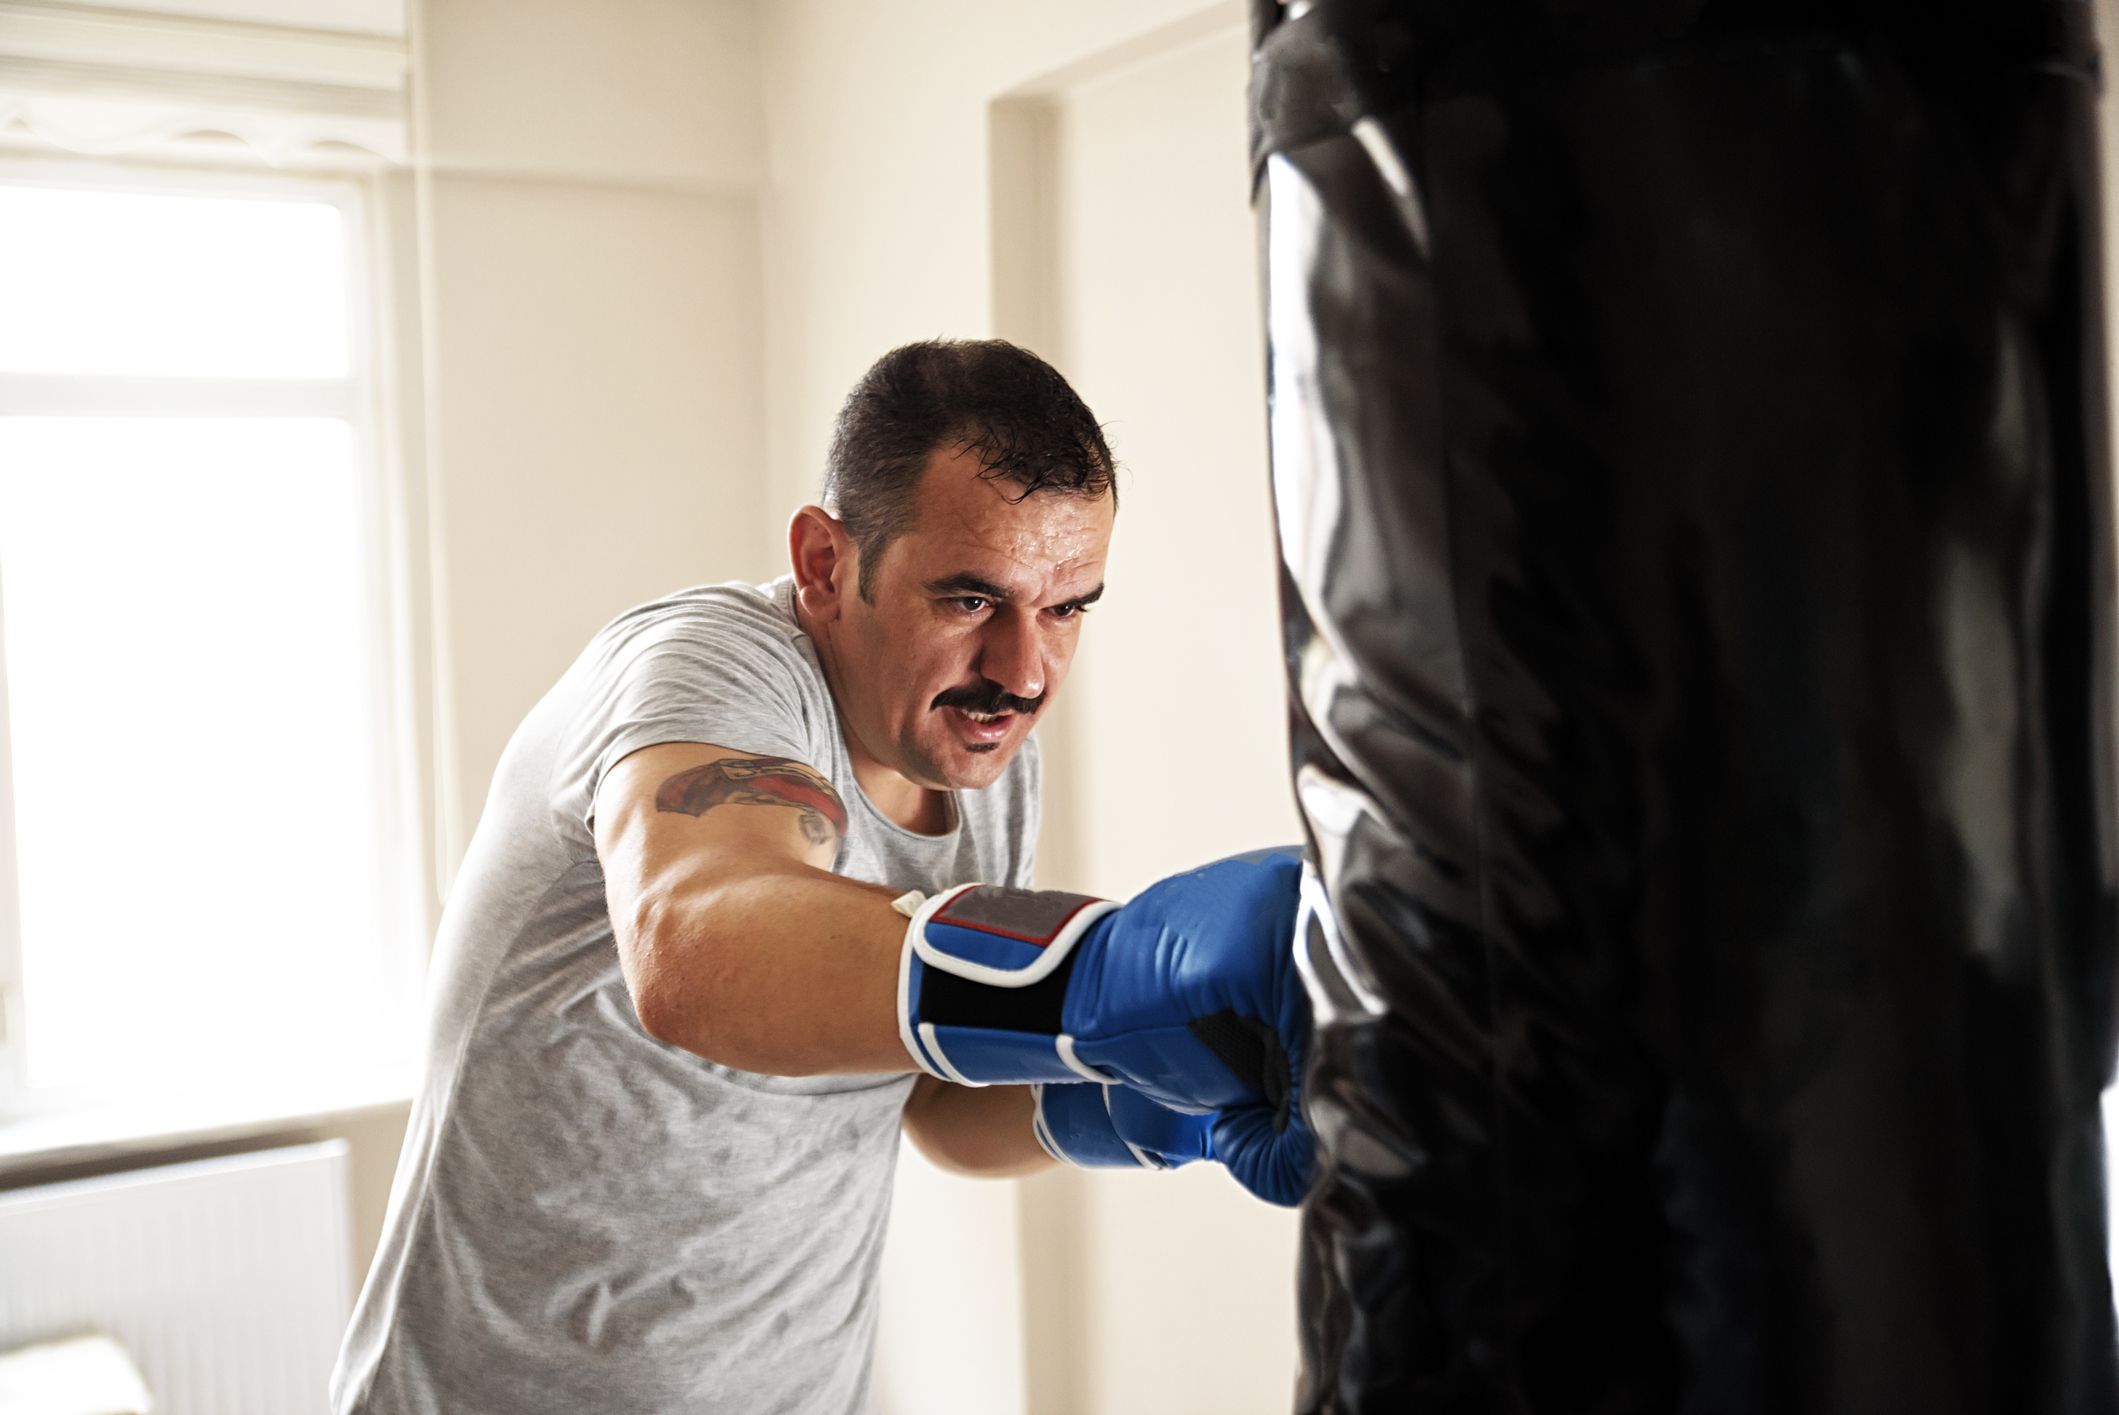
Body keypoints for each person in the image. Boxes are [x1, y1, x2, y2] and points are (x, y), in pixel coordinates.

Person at [329, 339, 1312, 1415]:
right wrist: (1105, 969)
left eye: (1068, 606)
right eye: (971, 599)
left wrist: (1153, 1104)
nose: (1023, 672)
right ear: (824, 564)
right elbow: (697, 945)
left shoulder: (979, 755)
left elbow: (936, 1097)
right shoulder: (707, 672)